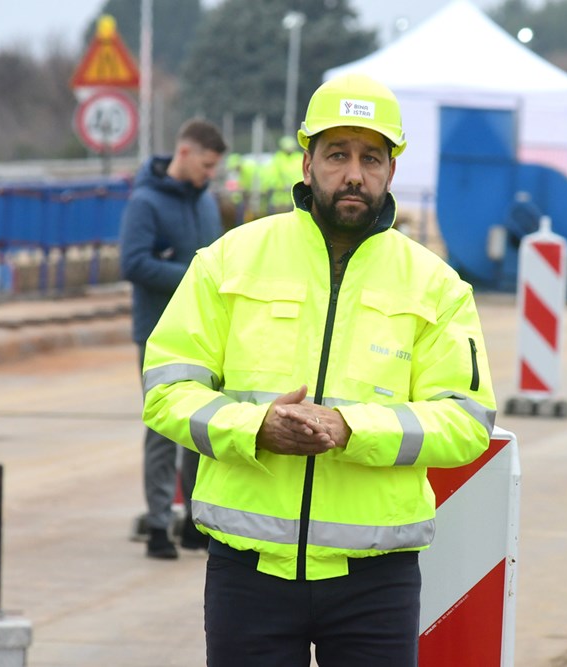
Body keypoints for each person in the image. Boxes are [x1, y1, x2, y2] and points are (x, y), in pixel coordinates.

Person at [141, 73, 496, 665]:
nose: (354, 173)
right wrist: (255, 427)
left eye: (370, 158)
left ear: (391, 170)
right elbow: (166, 390)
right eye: (337, 155)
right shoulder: (228, 261)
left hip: (377, 579)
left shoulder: (437, 286)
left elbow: (466, 421)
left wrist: (353, 428)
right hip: (247, 571)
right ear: (307, 164)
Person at [119, 118, 227, 559]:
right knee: (163, 429)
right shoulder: (145, 203)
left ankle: (195, 523)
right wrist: (192, 277)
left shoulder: (206, 202)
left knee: (201, 425)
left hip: (205, 333)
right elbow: (133, 262)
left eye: (214, 168)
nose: (210, 175)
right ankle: (159, 525)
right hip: (158, 333)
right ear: (184, 153)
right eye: (206, 165)